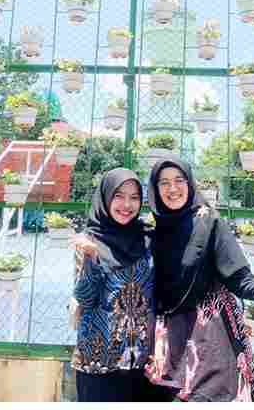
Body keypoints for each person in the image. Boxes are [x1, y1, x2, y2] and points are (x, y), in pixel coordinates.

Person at [143, 155, 254, 401]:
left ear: (190, 183)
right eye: (163, 182)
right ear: (155, 189)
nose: (172, 188)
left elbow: (239, 278)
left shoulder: (209, 223)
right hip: (166, 343)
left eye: (179, 180)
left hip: (210, 339)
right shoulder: (153, 232)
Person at [71, 168, 159, 402]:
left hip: (142, 360)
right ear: (106, 197)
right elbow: (85, 299)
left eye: (134, 197)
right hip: (98, 361)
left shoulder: (148, 238)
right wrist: (92, 259)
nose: (127, 205)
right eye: (118, 196)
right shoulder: (89, 240)